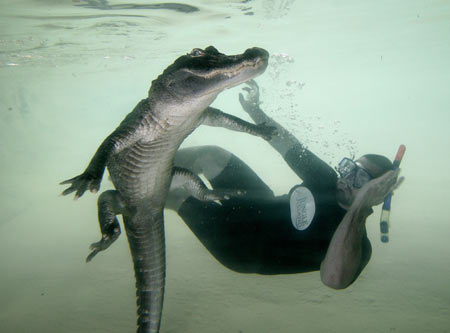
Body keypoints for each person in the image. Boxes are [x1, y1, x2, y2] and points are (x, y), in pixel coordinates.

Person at [166, 80, 402, 289]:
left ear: (376, 195)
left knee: (177, 194)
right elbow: (287, 144)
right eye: (349, 168)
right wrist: (255, 111)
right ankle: (143, 174)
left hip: (240, 247)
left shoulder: (359, 246)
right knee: (211, 155)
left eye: (360, 180)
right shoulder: (326, 179)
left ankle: (138, 199)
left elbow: (333, 279)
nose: (347, 179)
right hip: (257, 206)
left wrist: (360, 205)